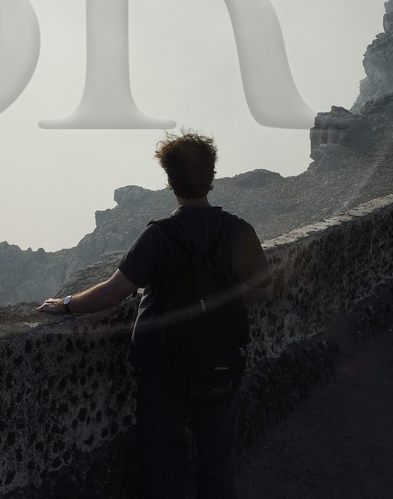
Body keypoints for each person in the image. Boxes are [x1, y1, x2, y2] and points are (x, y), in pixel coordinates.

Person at [38, 130, 272, 499]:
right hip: (223, 360)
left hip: (166, 366)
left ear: (170, 180)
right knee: (218, 459)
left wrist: (67, 304)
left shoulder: (160, 236)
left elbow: (114, 293)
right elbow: (263, 291)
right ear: (211, 176)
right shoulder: (240, 231)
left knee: (163, 459)